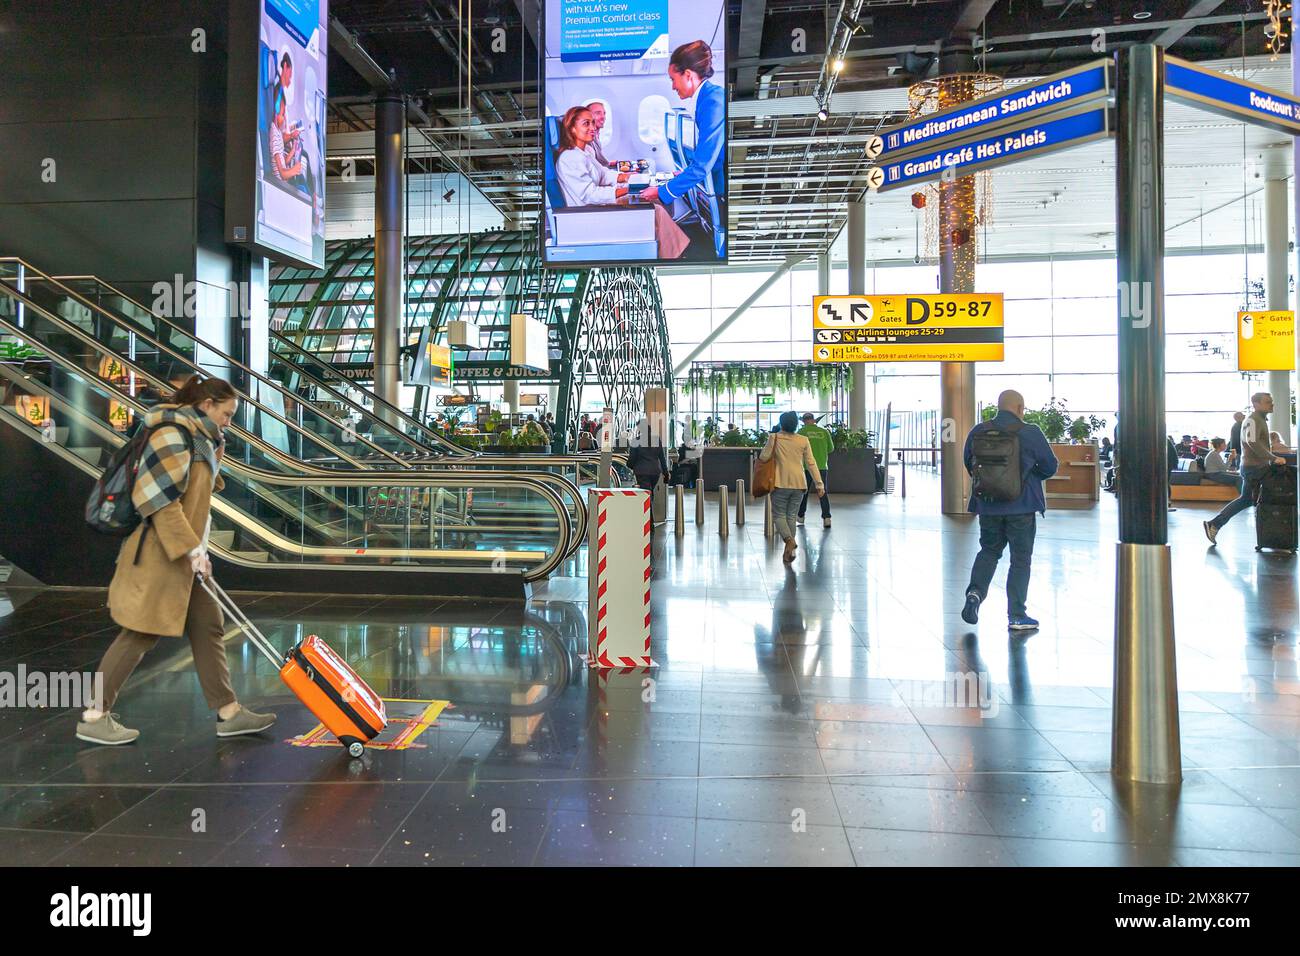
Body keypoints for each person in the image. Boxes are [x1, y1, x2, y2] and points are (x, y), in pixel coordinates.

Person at [76, 376, 276, 745]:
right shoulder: (170, 434)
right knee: (140, 631)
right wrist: (192, 550)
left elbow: (199, 493)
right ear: (207, 405)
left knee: (208, 625)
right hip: (160, 555)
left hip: (187, 554)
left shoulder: (202, 437)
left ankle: (228, 712)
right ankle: (94, 715)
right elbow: (157, 501)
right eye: (227, 414)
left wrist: (217, 446)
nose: (230, 421)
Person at [960, 389, 1058, 632]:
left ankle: (974, 594)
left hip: (988, 505)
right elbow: (1050, 466)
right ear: (1020, 408)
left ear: (998, 406)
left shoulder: (978, 431)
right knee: (1020, 559)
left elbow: (968, 462)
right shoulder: (1031, 432)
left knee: (989, 551)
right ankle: (1016, 615)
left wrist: (992, 483)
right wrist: (1029, 476)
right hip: (1022, 506)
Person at [553, 105, 688, 259]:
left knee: (651, 197)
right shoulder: (570, 158)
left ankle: (668, 249)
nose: (593, 127)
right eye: (586, 123)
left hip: (597, 205)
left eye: (592, 122)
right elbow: (590, 195)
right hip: (588, 214)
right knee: (655, 209)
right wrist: (630, 188)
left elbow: (603, 175)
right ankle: (673, 256)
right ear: (572, 129)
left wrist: (629, 177)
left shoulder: (586, 151)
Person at [638, 41, 726, 228]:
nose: (672, 86)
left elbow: (704, 165)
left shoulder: (713, 101)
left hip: (722, 187)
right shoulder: (706, 99)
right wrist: (684, 173)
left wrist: (663, 192)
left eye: (672, 79)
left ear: (687, 75)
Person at [1204, 392, 1288, 545]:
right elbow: (1253, 443)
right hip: (1255, 468)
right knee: (1265, 497)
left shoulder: (1258, 419)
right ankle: (1274, 536)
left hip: (1254, 467)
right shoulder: (1254, 420)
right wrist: (1273, 458)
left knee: (1247, 499)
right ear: (1256, 404)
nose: (1272, 404)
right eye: (1268, 402)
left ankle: (1215, 524)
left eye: (1271, 401)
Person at [758, 411, 823, 564]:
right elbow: (811, 463)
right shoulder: (803, 440)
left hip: (780, 482)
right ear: (796, 424)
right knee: (791, 517)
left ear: (782, 423)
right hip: (800, 484)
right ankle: (790, 552)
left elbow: (763, 457)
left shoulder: (774, 438)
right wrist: (819, 484)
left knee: (779, 515)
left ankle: (789, 541)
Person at [796, 412, 833, 528]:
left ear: (803, 421)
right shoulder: (824, 432)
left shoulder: (801, 432)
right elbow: (831, 449)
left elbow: (796, 449)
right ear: (813, 420)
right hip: (822, 466)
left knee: (804, 492)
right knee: (822, 492)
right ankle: (827, 518)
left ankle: (801, 516)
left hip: (806, 467)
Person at [626, 417, 669, 496]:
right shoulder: (656, 439)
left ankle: (649, 507)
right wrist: (665, 472)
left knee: (646, 495)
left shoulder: (636, 441)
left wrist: (629, 465)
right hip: (655, 472)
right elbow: (662, 457)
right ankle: (650, 506)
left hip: (641, 472)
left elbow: (632, 459)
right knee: (650, 492)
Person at [585, 99, 612, 168]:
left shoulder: (595, 136)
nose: (603, 117)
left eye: (604, 113)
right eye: (598, 113)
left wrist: (611, 164)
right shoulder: (587, 141)